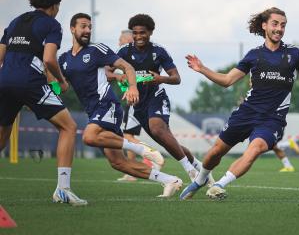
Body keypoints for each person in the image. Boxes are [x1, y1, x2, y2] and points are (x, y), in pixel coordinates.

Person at [180, 7, 299, 200]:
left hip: (272, 119)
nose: (279, 29)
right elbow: (227, 81)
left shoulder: (294, 54)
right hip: (246, 112)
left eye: (283, 25)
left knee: (255, 149)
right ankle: (200, 180)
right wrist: (202, 68)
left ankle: (219, 185)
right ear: (264, 25)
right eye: (275, 24)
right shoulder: (253, 55)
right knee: (216, 151)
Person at [57, 13, 182, 197]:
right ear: (72, 29)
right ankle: (169, 180)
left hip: (106, 105)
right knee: (118, 163)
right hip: (93, 111)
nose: (87, 30)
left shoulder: (97, 50)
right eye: (83, 26)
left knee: (88, 137)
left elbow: (128, 67)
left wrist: (132, 87)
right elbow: (62, 86)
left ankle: (142, 149)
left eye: (90, 27)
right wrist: (43, 94)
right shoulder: (64, 59)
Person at [0, 0, 87, 206]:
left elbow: (0, 55)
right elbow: (49, 59)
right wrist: (61, 80)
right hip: (29, 82)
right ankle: (63, 189)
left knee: (3, 131)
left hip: (5, 80)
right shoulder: (52, 24)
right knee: (68, 127)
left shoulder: (16, 21)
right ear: (54, 5)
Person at [107, 14, 211, 183]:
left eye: (143, 32)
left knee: (157, 129)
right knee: (168, 142)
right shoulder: (124, 51)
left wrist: (160, 78)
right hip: (137, 104)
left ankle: (191, 171)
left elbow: (176, 78)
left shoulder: (158, 51)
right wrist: (119, 77)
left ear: (150, 32)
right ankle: (199, 167)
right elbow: (106, 71)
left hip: (156, 97)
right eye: (135, 33)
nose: (139, 36)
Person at [115, 29, 162, 182]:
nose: (119, 43)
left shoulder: (133, 59)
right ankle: (134, 169)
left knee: (127, 135)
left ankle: (151, 156)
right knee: (128, 135)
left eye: (121, 40)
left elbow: (142, 79)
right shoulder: (125, 59)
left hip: (138, 102)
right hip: (133, 100)